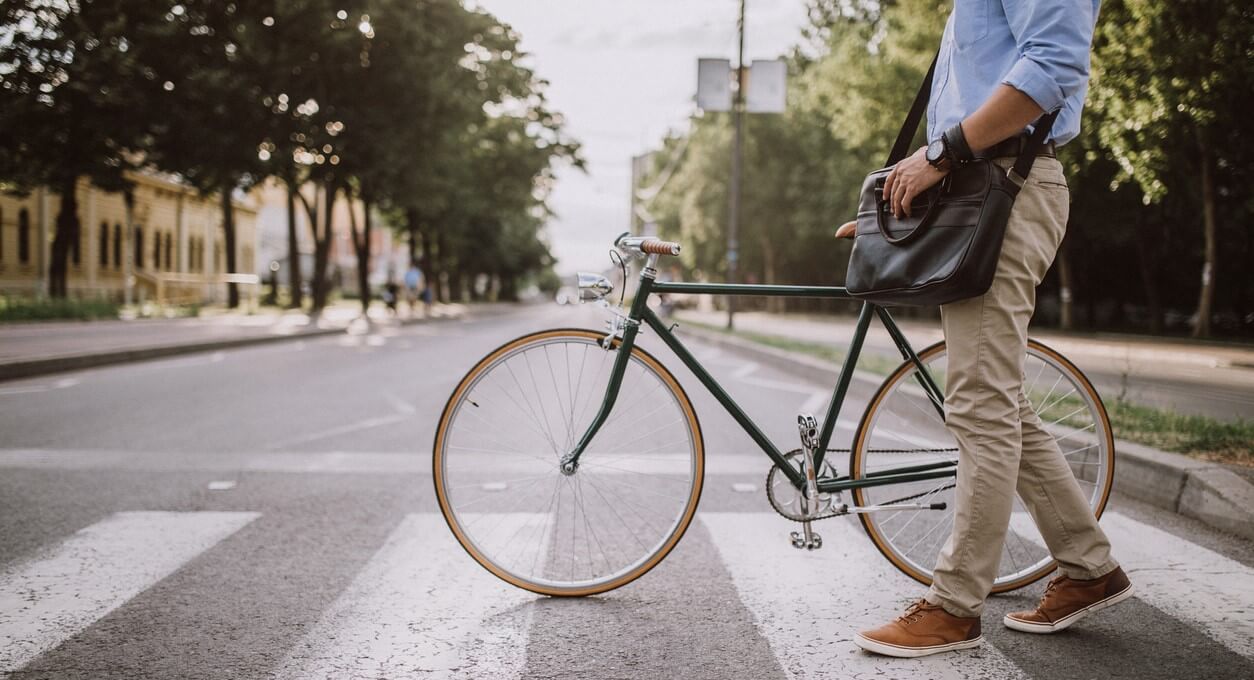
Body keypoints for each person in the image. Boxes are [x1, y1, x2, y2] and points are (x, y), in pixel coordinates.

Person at [834, 0, 1130, 659]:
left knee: (979, 404)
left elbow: (1051, 69)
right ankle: (1089, 566)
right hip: (977, 188)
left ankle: (953, 607)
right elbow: (966, 110)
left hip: (1006, 190)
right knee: (1000, 402)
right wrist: (900, 201)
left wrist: (936, 156)